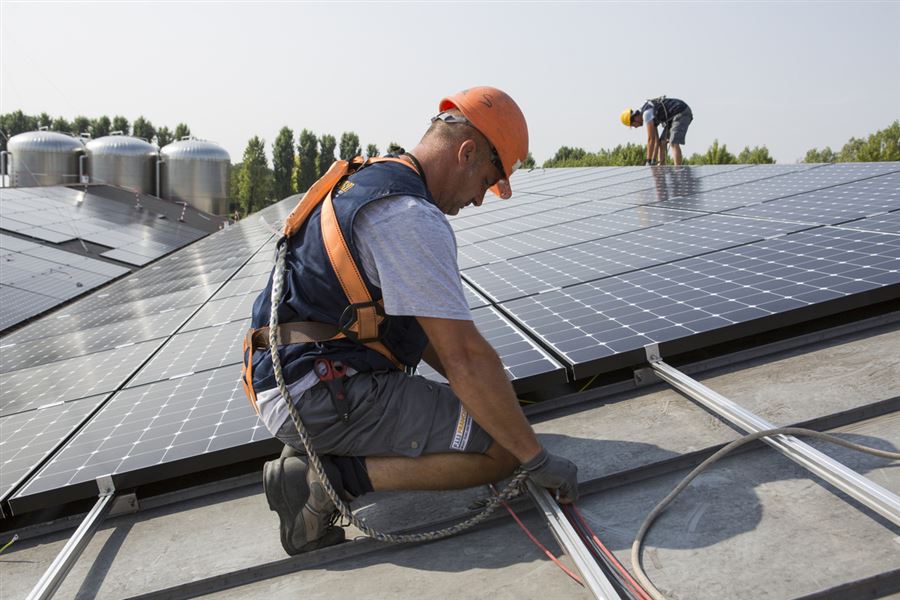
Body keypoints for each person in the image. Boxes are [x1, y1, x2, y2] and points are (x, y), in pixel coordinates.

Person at [244, 86, 579, 556]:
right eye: (488, 179)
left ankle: (326, 452)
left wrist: (489, 398)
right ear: (467, 152)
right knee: (503, 451)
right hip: (319, 393)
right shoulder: (409, 217)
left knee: (500, 420)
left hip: (295, 378)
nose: (480, 200)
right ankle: (323, 481)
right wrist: (533, 456)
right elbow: (462, 356)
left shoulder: (370, 180)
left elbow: (430, 343)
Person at [621, 96, 693, 166]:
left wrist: (648, 161)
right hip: (672, 118)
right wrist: (653, 161)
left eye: (633, 125)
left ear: (634, 118)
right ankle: (661, 170)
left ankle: (678, 172)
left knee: (673, 143)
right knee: (662, 143)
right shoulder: (650, 117)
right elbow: (656, 141)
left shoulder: (646, 114)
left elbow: (650, 139)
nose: (635, 127)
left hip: (681, 112)